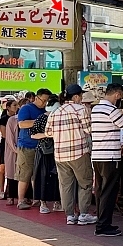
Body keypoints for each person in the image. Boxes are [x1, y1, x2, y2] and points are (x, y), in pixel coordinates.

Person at [47, 85, 97, 226]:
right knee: (85, 183)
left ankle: (69, 215)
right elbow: (89, 130)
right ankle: (83, 214)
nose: (81, 99)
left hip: (60, 155)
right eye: (80, 96)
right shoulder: (81, 109)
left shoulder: (55, 112)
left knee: (66, 186)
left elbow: (48, 132)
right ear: (75, 97)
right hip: (79, 152)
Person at [91, 82, 123, 237]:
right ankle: (103, 226)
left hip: (97, 156)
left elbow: (115, 118)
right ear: (117, 94)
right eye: (120, 97)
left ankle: (101, 222)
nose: (120, 100)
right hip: (110, 156)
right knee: (109, 191)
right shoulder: (111, 110)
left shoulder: (97, 108)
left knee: (100, 190)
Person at [15, 88, 52, 210]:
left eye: (47, 101)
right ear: (36, 98)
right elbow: (22, 124)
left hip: (42, 146)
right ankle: (21, 200)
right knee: (25, 173)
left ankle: (37, 198)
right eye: (43, 100)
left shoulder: (46, 110)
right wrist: (40, 121)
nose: (45, 103)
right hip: (27, 146)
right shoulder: (26, 108)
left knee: (38, 175)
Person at [30, 94, 62, 213]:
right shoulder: (41, 118)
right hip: (44, 151)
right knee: (42, 176)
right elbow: (33, 134)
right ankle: (43, 203)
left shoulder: (59, 118)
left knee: (57, 177)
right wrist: (48, 135)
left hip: (57, 150)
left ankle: (57, 202)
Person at [4, 97, 23, 206]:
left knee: (24, 175)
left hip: (24, 150)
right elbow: (9, 138)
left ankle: (25, 197)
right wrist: (15, 149)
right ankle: (10, 196)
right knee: (12, 174)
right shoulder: (12, 120)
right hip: (13, 151)